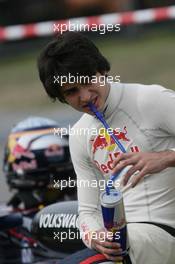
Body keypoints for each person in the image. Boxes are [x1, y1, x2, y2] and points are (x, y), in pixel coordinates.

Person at [37, 31, 175, 264]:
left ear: (101, 70)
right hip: (123, 243)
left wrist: (166, 157)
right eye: (71, 92)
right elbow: (88, 212)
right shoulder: (79, 135)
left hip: (165, 235)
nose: (85, 97)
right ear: (61, 97)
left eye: (88, 81)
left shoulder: (151, 99)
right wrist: (94, 237)